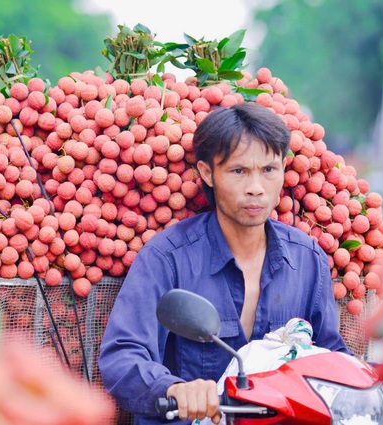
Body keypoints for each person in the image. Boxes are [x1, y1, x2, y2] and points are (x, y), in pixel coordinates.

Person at [98, 102, 350, 425]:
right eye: (239, 171)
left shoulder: (307, 259)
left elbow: (332, 357)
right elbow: (123, 355)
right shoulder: (167, 257)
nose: (256, 188)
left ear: (284, 170)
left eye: (269, 170)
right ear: (207, 173)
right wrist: (175, 389)